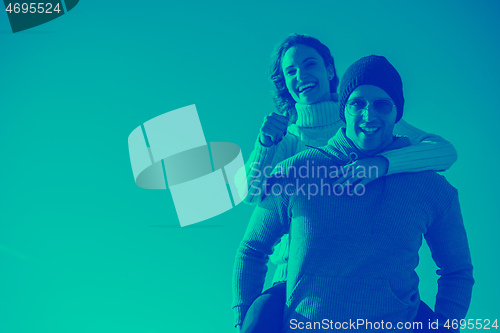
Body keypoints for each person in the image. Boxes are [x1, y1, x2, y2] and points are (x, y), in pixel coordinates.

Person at [232, 55, 474, 332]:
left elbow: (457, 272)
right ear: (343, 110)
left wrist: (445, 328)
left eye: (382, 104)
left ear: (397, 113)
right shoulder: (297, 170)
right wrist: (243, 323)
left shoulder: (432, 189)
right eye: (357, 103)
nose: (369, 115)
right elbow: (252, 249)